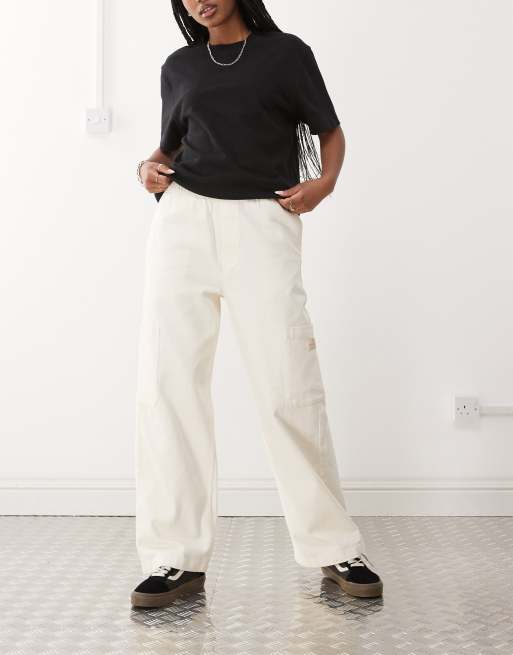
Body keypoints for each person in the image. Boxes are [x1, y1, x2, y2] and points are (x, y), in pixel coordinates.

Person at [131, 0, 383, 609]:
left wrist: (324, 183)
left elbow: (329, 130)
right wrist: (148, 169)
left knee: (287, 385)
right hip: (183, 223)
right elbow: (169, 149)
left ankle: (333, 547)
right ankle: (175, 558)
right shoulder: (179, 65)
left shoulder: (286, 54)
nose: (200, 0)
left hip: (262, 224)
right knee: (169, 385)